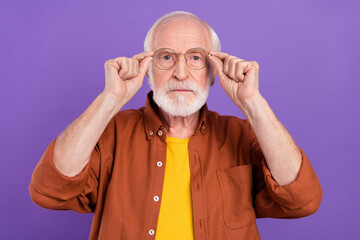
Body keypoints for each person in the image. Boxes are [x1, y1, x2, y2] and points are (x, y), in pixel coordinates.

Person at [29, 11, 322, 240]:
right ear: (148, 70)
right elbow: (49, 190)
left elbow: (302, 199)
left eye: (195, 58)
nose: (181, 73)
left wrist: (253, 102)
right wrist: (110, 98)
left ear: (212, 72)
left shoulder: (244, 135)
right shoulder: (110, 133)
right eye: (166, 57)